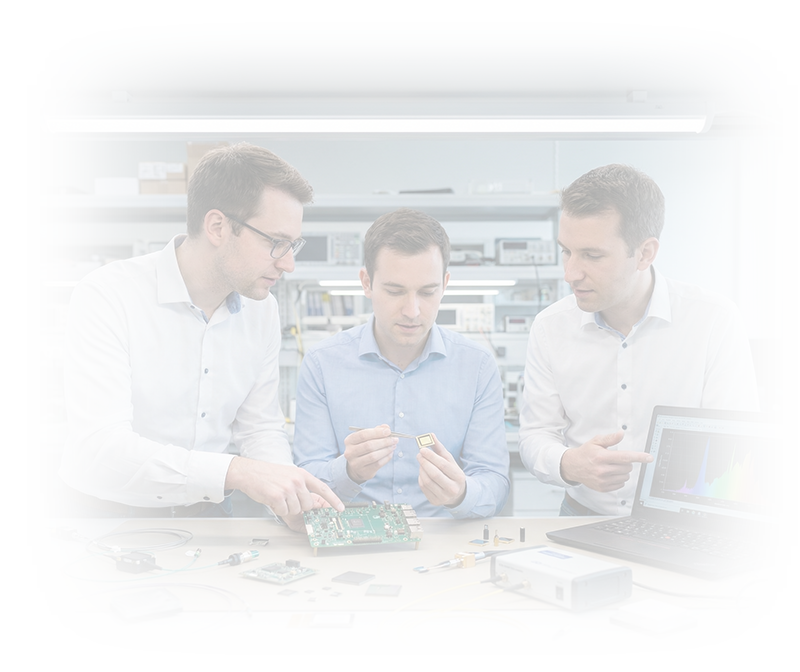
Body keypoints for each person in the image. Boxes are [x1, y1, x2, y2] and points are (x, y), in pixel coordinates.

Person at [58, 142, 343, 529]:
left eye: (293, 245)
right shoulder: (108, 295)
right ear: (217, 227)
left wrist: (288, 497)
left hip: (208, 515)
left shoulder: (262, 309)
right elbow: (101, 448)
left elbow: (258, 427)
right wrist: (237, 472)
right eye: (276, 242)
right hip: (105, 516)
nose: (288, 263)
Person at [518, 164, 759, 517]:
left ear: (645, 253)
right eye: (566, 251)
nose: (570, 273)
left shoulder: (713, 320)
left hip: (686, 521)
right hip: (582, 514)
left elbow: (739, 441)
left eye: (592, 255)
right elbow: (536, 433)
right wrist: (569, 463)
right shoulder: (550, 327)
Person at [292, 207, 510, 518]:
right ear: (366, 282)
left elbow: (495, 483)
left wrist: (461, 493)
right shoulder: (321, 364)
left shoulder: (476, 366)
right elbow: (305, 479)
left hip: (443, 541)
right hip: (350, 536)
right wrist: (349, 471)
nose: (412, 310)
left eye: (428, 292)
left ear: (445, 284)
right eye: (395, 291)